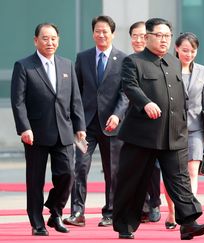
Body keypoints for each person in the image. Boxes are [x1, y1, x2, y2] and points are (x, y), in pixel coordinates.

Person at [112, 18, 204, 240]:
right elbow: (130, 86)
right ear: (147, 37)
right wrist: (145, 102)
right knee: (133, 181)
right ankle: (125, 225)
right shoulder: (133, 61)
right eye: (159, 35)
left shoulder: (174, 62)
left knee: (180, 179)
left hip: (173, 133)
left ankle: (188, 223)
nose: (164, 40)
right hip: (142, 135)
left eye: (167, 36)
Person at [10, 23, 86, 236]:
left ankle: (55, 211)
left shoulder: (67, 65)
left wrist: (80, 127)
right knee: (35, 181)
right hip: (35, 134)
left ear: (58, 40)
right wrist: (24, 128)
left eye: (53, 38)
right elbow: (18, 102)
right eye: (45, 38)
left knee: (68, 174)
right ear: (36, 40)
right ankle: (37, 223)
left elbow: (75, 99)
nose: (50, 42)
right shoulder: (24, 65)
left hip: (64, 131)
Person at [63, 15, 128, 227]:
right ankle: (78, 212)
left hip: (112, 125)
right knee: (79, 167)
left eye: (105, 31)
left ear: (113, 34)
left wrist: (117, 115)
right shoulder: (83, 58)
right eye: (97, 31)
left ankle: (110, 212)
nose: (101, 35)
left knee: (113, 170)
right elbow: (76, 92)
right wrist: (77, 121)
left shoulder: (124, 59)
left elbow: (125, 93)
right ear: (93, 33)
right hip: (86, 125)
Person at [163, 32, 204, 230]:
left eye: (193, 51)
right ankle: (171, 211)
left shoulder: (202, 71)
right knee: (173, 173)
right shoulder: (167, 68)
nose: (189, 54)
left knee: (192, 171)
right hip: (170, 128)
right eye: (185, 50)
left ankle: (189, 215)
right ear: (176, 48)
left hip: (195, 129)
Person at [128, 20, 162, 223]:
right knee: (134, 168)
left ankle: (154, 204)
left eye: (143, 35)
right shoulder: (127, 60)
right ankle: (139, 205)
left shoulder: (158, 61)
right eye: (135, 36)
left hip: (155, 122)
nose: (139, 39)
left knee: (154, 167)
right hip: (132, 123)